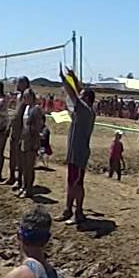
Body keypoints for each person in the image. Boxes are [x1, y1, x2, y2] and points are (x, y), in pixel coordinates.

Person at [59, 68, 95, 226]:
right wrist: (73, 77)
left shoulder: (85, 110)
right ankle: (68, 209)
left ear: (86, 99)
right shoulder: (85, 108)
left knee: (77, 183)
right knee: (70, 181)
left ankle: (78, 212)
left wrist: (64, 79)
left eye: (82, 96)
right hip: (74, 151)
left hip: (79, 152)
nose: (79, 96)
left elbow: (74, 94)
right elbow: (79, 91)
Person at [7, 77, 36, 187]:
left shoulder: (28, 99)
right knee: (13, 155)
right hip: (15, 130)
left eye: (19, 82)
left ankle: (20, 181)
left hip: (22, 132)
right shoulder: (19, 97)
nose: (17, 84)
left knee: (21, 158)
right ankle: (12, 177)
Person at [18, 99, 46, 198]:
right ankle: (24, 186)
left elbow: (38, 125)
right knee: (24, 166)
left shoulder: (36, 109)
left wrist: (36, 141)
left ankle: (28, 189)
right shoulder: (26, 108)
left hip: (32, 140)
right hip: (25, 138)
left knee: (29, 167)